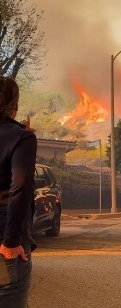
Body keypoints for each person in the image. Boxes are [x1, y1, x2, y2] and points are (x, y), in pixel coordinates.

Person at [0, 76, 37, 308]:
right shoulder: (22, 138)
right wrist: (12, 241)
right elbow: (20, 188)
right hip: (5, 239)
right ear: (14, 104)